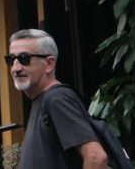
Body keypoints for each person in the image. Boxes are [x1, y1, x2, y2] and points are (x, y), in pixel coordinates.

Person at [8, 29, 108, 168]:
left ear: (49, 64)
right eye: (11, 60)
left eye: (24, 58)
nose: (15, 68)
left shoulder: (57, 99)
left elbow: (96, 157)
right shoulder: (42, 100)